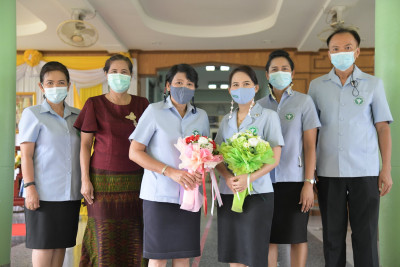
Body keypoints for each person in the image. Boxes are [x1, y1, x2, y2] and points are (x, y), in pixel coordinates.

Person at [308, 28, 393, 267]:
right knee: (332, 238)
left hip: (365, 171)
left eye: (347, 48)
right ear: (328, 54)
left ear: (357, 52)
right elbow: (311, 134)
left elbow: (383, 128)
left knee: (366, 236)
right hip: (328, 172)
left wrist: (385, 169)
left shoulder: (373, 84)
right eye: (335, 49)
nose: (341, 53)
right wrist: (310, 173)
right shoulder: (317, 86)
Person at [129, 63, 209, 267]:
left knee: (183, 256)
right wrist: (169, 171)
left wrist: (202, 172)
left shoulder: (201, 116)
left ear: (194, 88)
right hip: (159, 195)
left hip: (189, 195)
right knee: (158, 256)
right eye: (178, 82)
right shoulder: (154, 111)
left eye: (189, 83)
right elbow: (135, 152)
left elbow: (206, 154)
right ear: (167, 86)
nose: (183, 87)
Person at [73, 54, 149, 266]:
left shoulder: (142, 104)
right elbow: (85, 145)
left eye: (124, 72)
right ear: (106, 75)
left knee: (135, 232)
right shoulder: (94, 104)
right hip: (103, 181)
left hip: (137, 181)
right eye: (114, 71)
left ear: (131, 76)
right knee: (103, 234)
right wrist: (85, 180)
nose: (119, 76)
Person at [215, 65, 284, 267]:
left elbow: (274, 157)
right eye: (235, 85)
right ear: (229, 90)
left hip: (258, 193)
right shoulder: (226, 121)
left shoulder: (269, 117)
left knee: (255, 253)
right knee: (234, 252)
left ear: (255, 87)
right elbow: (217, 156)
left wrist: (249, 179)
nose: (240, 88)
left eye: (246, 84)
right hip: (229, 192)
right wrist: (228, 177)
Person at [257, 50, 320, 267]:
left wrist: (308, 184)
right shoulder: (259, 107)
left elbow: (311, 146)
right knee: (269, 237)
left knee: (297, 235)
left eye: (285, 69)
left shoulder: (304, 102)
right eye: (274, 69)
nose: (280, 73)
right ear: (267, 74)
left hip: (295, 180)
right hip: (265, 180)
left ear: (293, 73)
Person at [19, 61, 81, 267]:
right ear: (41, 86)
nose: (56, 87)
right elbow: (26, 156)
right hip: (43, 193)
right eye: (50, 82)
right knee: (44, 246)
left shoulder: (78, 116)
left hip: (70, 193)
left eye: (61, 82)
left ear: (69, 85)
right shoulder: (33, 114)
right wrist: (30, 187)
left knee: (61, 245)